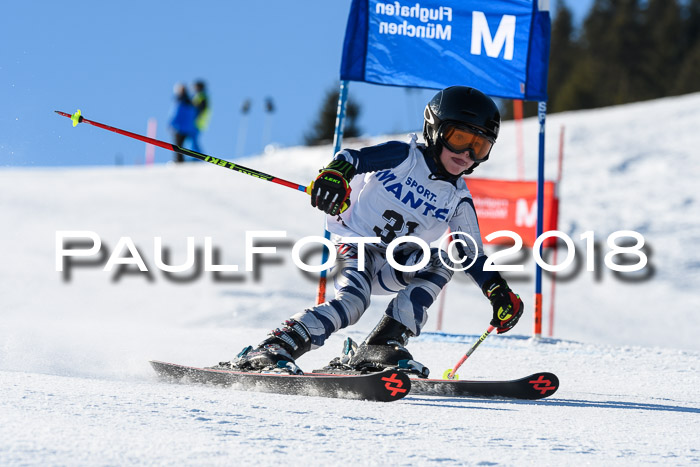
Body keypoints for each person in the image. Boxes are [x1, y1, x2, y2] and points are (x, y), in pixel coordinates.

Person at [221, 86, 524, 375]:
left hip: (397, 261)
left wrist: (496, 291)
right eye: (459, 138)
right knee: (352, 304)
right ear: (435, 129)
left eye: (480, 146)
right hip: (357, 246)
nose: (468, 154)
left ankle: (381, 345)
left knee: (441, 261)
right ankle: (274, 347)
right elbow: (352, 159)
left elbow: (470, 253)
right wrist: (335, 176)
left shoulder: (457, 199)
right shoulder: (405, 157)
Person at [168, 83, 198, 163]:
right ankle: (188, 159)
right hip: (188, 127)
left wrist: (171, 124)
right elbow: (192, 114)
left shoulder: (180, 101)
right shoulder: (190, 101)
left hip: (179, 127)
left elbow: (176, 113)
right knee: (186, 144)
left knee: (178, 145)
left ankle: (179, 161)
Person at [191, 80, 211, 152]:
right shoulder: (200, 95)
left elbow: (201, 108)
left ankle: (196, 156)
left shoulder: (201, 96)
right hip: (198, 121)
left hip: (198, 121)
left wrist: (195, 117)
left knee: (193, 139)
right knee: (192, 139)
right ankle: (194, 155)